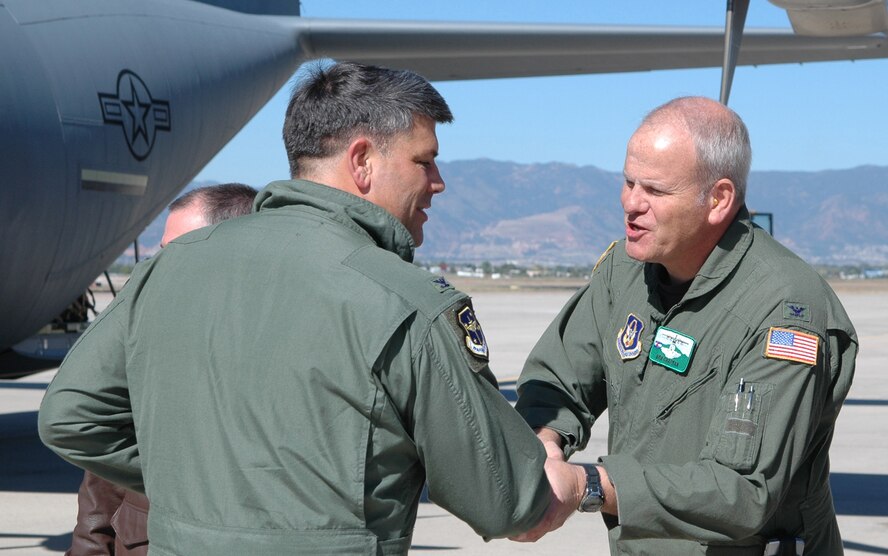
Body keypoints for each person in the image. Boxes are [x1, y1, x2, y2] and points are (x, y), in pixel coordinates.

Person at [39, 62, 580, 555]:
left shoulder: (171, 265)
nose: (437, 183)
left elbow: (71, 418)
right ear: (363, 160)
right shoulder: (406, 302)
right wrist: (577, 480)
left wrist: (189, 487)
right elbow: (513, 503)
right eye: (425, 161)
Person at [514, 97, 857, 554]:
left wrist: (587, 484)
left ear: (718, 200)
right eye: (628, 182)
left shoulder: (784, 309)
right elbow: (560, 379)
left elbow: (740, 492)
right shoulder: (626, 270)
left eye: (654, 190)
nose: (631, 204)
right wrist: (546, 443)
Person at [66, 182, 258, 556]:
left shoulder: (288, 345)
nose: (157, 269)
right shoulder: (149, 340)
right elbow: (99, 496)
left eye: (176, 252)